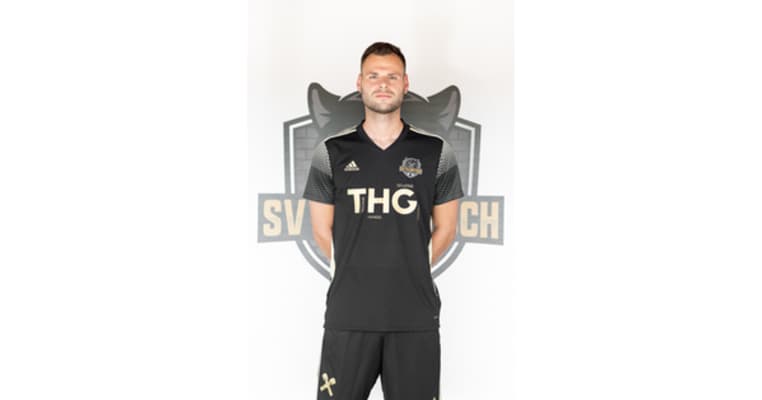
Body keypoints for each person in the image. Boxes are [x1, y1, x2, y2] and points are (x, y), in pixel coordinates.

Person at [303, 41, 463, 400]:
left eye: (392, 76)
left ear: (405, 83)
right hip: (349, 314)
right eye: (374, 75)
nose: (383, 84)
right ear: (359, 83)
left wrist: (408, 268)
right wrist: (359, 270)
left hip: (414, 316)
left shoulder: (437, 152)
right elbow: (321, 229)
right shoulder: (330, 152)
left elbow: (447, 228)